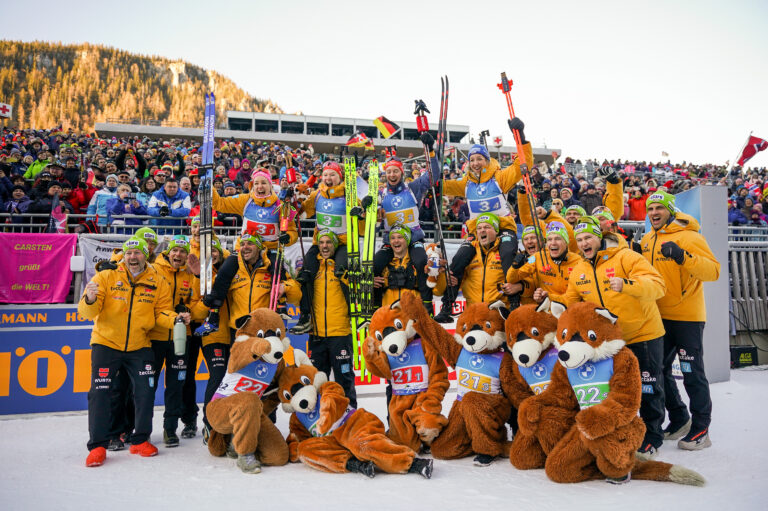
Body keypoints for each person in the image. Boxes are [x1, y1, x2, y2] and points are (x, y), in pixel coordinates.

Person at [79, 236, 190, 467]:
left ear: (145, 255)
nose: (132, 257)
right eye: (129, 253)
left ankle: (140, 439)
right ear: (124, 256)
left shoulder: (156, 279)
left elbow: (161, 313)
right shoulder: (107, 276)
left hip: (140, 345)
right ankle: (98, 445)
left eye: (137, 253)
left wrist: (176, 319)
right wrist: (89, 299)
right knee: (100, 394)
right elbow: (88, 313)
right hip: (106, 343)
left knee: (145, 391)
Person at [563, 216, 667, 459]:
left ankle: (652, 436)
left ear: (599, 237)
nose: (584, 242)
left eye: (588, 237)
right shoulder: (579, 270)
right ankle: (625, 431)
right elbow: (572, 304)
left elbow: (658, 285)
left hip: (643, 333)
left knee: (649, 386)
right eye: (579, 239)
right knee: (619, 391)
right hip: (609, 344)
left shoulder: (626, 256)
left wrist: (627, 284)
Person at [641, 191, 720, 450]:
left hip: (687, 317)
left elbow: (713, 271)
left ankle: (701, 430)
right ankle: (679, 419)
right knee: (659, 371)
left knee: (691, 373)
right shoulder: (646, 239)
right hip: (658, 316)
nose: (654, 212)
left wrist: (683, 257)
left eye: (659, 208)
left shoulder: (690, 236)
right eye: (650, 208)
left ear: (670, 211)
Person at [436, 118, 533, 322]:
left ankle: (513, 302)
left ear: (487, 161)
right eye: (472, 160)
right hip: (477, 231)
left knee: (508, 255)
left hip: (502, 228)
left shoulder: (500, 178)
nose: (475, 163)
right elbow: (441, 185)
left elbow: (524, 164)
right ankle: (447, 306)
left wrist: (521, 136)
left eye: (479, 159)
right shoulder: (466, 184)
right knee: (459, 260)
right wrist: (432, 159)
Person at [371, 132, 440, 313]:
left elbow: (433, 176)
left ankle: (427, 304)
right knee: (375, 266)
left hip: (414, 238)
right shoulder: (380, 193)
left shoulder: (413, 188)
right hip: (390, 241)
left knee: (420, 262)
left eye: (395, 171)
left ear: (402, 172)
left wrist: (430, 152)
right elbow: (372, 215)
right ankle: (375, 307)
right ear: (385, 174)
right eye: (389, 171)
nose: (392, 174)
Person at [147, 235, 205, 447]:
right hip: (156, 336)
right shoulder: (153, 269)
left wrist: (188, 310)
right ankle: (142, 428)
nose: (178, 255)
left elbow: (198, 301)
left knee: (176, 385)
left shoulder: (190, 274)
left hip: (182, 337)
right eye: (175, 251)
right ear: (167, 252)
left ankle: (170, 429)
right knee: (147, 386)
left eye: (182, 251)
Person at [292, 160, 358, 333]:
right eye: (326, 174)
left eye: (333, 174)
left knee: (342, 270)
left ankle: (353, 313)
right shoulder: (317, 195)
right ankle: (305, 316)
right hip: (321, 242)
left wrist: (361, 210)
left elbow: (361, 210)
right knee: (305, 272)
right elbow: (303, 214)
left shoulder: (348, 194)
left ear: (339, 177)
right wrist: (297, 200)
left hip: (342, 242)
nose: (328, 178)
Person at [196, 231, 301, 336]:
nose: (245, 247)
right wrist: (199, 276)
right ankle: (213, 318)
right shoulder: (233, 268)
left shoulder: (271, 267)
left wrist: (285, 287)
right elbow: (214, 288)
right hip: (238, 329)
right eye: (242, 244)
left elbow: (296, 296)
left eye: (250, 244)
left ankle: (281, 311)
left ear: (259, 247)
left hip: (265, 329)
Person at [305, 229, 357, 406]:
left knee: (345, 380)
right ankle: (320, 421)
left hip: (340, 333)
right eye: (321, 242)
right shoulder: (313, 268)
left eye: (328, 242)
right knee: (318, 382)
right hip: (317, 334)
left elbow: (356, 291)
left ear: (335, 245)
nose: (325, 246)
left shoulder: (342, 267)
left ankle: (351, 420)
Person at [506, 221, 580, 305]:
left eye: (558, 238)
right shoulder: (538, 257)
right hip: (545, 310)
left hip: (568, 310)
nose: (553, 243)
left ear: (566, 243)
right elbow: (512, 279)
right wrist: (515, 267)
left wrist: (548, 297)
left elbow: (573, 299)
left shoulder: (578, 261)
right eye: (549, 239)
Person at [455, 213, 520, 307]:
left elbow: (528, 281)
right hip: (474, 313)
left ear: (496, 231)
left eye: (487, 227)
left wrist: (518, 287)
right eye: (479, 228)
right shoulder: (468, 256)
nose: (482, 230)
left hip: (499, 313)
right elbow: (440, 290)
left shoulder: (507, 253)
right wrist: (445, 278)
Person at [374, 223, 444, 308]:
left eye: (400, 237)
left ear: (407, 240)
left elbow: (438, 292)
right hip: (389, 316)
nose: (396, 241)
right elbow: (357, 289)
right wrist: (368, 283)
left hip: (414, 316)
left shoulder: (420, 262)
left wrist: (441, 274)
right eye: (392, 238)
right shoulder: (382, 264)